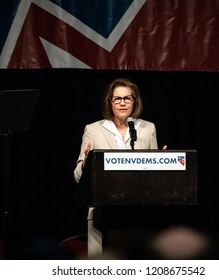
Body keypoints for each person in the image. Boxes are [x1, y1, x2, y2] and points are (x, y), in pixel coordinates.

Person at [73, 77, 165, 257]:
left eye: (127, 98)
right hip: (103, 212)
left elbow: (153, 180)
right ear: (110, 102)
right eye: (117, 99)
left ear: (134, 101)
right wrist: (85, 161)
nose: (122, 103)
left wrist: (161, 161)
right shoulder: (93, 129)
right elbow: (77, 176)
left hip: (139, 212)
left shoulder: (148, 128)